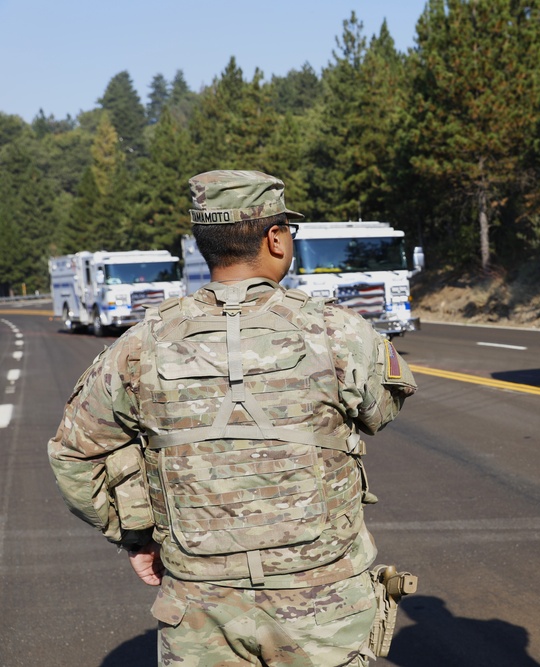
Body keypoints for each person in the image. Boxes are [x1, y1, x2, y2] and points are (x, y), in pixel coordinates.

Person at [48, 170, 417, 666]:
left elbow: (74, 453)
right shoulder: (338, 331)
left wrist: (137, 535)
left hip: (198, 607)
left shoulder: (141, 344)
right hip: (323, 605)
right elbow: (383, 408)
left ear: (206, 245)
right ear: (276, 238)